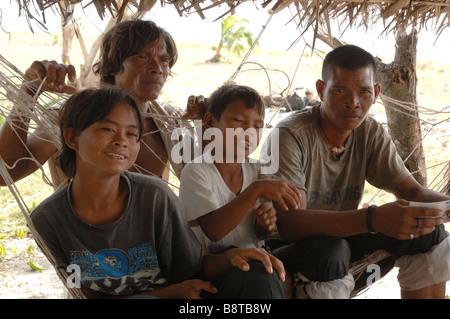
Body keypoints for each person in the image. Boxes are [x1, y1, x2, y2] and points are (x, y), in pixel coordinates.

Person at [30, 87, 287, 299]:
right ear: (73, 138)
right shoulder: (48, 220)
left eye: (132, 134)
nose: (123, 141)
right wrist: (165, 295)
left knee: (259, 275)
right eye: (108, 130)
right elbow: (84, 294)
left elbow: (192, 267)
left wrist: (232, 257)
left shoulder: (154, 196)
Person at [261, 44, 450, 299]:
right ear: (321, 89)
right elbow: (292, 225)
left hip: (343, 242)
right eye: (340, 90)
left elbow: (412, 191)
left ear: (376, 93)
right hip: (288, 255)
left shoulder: (369, 131)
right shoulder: (289, 135)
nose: (353, 103)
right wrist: (372, 219)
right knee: (331, 250)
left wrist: (446, 205)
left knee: (430, 233)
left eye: (364, 91)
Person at [0, 19, 205, 189]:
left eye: (164, 60)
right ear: (113, 65)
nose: (157, 68)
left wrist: (211, 124)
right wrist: (27, 92)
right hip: (86, 235)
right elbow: (5, 173)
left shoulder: (169, 119)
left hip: (152, 235)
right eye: (143, 56)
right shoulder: (71, 116)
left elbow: (213, 181)